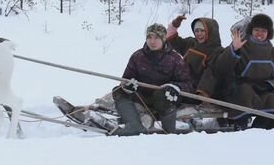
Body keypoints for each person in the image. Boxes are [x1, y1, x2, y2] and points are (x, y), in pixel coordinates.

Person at [54, 23, 192, 135]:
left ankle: (169, 133)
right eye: (149, 37)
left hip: (163, 100)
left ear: (163, 39)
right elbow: (125, 79)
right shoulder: (138, 56)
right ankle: (134, 126)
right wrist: (128, 85)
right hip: (142, 97)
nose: (152, 41)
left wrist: (176, 87)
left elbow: (187, 84)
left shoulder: (175, 58)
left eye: (156, 37)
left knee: (161, 94)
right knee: (118, 90)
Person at [209, 13, 274, 130]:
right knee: (245, 92)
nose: (259, 33)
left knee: (271, 98)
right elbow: (221, 67)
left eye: (263, 30)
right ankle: (239, 125)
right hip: (238, 89)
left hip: (262, 89)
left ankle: (267, 127)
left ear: (269, 33)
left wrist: (270, 85)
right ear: (251, 31)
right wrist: (233, 49)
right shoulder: (241, 47)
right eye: (256, 30)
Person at [166, 15, 225, 101]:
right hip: (182, 83)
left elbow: (211, 75)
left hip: (200, 91)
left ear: (210, 31)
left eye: (202, 30)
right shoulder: (191, 43)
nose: (199, 33)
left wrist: (202, 94)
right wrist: (174, 25)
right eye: (196, 30)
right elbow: (172, 40)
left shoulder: (217, 52)